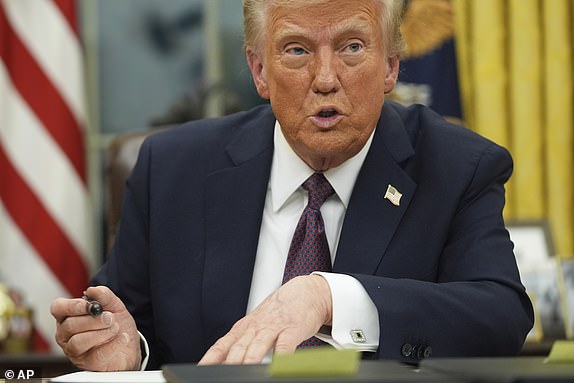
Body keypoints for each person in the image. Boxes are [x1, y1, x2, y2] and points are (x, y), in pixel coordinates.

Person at [50, 0, 534, 371]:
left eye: (352, 47)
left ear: (390, 66)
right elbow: (131, 327)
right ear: (260, 70)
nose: (325, 78)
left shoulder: (456, 168)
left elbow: (500, 319)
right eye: (297, 50)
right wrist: (128, 353)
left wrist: (329, 297)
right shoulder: (172, 170)